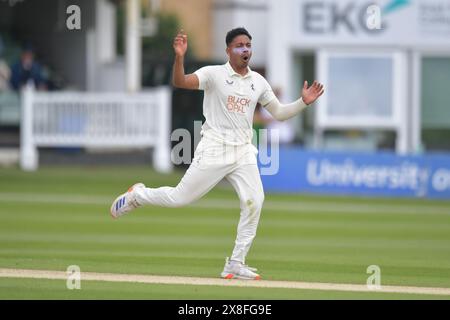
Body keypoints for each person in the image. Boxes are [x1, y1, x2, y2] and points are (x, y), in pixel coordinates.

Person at [110, 27, 324, 280]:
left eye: (248, 45)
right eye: (239, 45)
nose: (245, 49)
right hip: (214, 148)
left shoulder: (258, 82)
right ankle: (139, 195)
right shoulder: (214, 74)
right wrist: (179, 57)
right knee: (181, 198)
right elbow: (181, 82)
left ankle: (236, 262)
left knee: (255, 201)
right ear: (228, 51)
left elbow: (278, 113)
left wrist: (303, 102)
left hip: (243, 151)